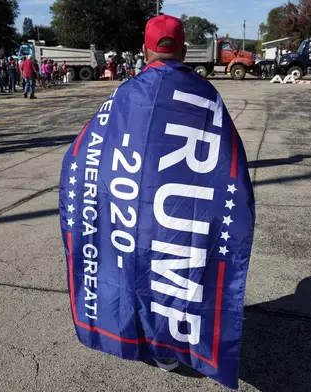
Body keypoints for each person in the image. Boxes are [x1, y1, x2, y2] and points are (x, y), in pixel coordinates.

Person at [58, 14, 254, 388]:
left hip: (130, 205)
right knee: (172, 270)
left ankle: (133, 335)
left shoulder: (123, 94)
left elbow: (85, 151)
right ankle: (169, 347)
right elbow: (228, 161)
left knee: (132, 270)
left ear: (145, 50)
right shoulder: (204, 94)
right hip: (176, 209)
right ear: (182, 48)